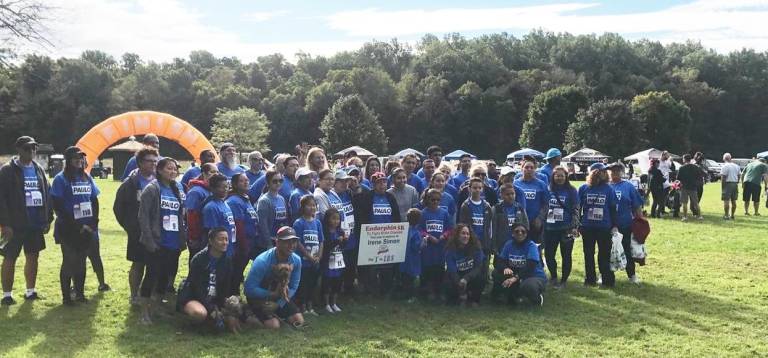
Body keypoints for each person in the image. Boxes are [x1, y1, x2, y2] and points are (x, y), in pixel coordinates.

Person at [0, 136, 53, 305]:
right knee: (10, 257)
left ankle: (30, 291)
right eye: (27, 148)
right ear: (19, 149)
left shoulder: (38, 169)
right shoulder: (7, 170)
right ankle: (7, 295)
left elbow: (47, 193)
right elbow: (1, 199)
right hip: (14, 225)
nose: (31, 151)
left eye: (34, 148)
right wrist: (5, 224)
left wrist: (47, 218)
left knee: (33, 257)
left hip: (35, 223)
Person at [50, 146, 103, 305]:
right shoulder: (61, 179)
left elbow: (94, 200)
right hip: (68, 227)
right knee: (69, 261)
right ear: (68, 160)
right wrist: (75, 226)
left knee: (81, 261)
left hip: (87, 226)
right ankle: (67, 297)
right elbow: (57, 205)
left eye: (81, 158)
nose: (79, 161)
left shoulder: (86, 177)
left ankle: (80, 294)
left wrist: (93, 222)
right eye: (76, 158)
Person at [138, 158, 187, 324]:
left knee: (165, 278)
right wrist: (149, 241)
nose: (173, 172)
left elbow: (180, 216)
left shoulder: (175, 189)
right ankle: (144, 312)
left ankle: (157, 307)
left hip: (172, 243)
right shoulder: (152, 189)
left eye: (175, 169)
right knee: (151, 276)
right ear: (159, 170)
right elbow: (143, 216)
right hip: (157, 242)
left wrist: (182, 239)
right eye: (169, 169)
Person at [114, 147, 158, 305]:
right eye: (149, 161)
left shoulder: (160, 180)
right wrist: (130, 227)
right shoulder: (131, 183)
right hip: (138, 233)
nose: (153, 164)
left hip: (157, 232)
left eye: (155, 161)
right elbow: (118, 208)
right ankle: (134, 295)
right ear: (140, 163)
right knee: (138, 264)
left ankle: (150, 295)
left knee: (154, 265)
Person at [177, 228, 239, 332]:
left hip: (214, 299)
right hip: (195, 297)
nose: (225, 243)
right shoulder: (198, 260)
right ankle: (188, 318)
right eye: (221, 239)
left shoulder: (227, 261)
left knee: (235, 307)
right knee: (200, 314)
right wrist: (211, 309)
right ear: (210, 241)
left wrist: (227, 303)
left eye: (226, 239)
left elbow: (226, 287)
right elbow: (197, 289)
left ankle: (213, 320)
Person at [244, 226, 304, 329]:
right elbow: (249, 289)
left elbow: (294, 286)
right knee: (274, 325)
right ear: (277, 242)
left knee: (299, 321)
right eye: (287, 242)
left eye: (294, 242)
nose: (291, 245)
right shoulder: (262, 261)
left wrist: (279, 304)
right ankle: (248, 315)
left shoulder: (296, 260)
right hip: (260, 297)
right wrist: (271, 295)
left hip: (280, 297)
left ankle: (277, 314)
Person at [352, 172, 401, 295]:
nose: (382, 185)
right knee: (371, 265)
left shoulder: (390, 197)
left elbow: (396, 216)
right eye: (379, 183)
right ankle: (370, 289)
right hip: (371, 237)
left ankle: (386, 289)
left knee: (387, 265)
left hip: (389, 236)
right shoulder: (368, 197)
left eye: (384, 182)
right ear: (373, 184)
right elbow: (362, 216)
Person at [578, 163, 619, 288]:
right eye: (600, 172)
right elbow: (577, 207)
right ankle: (590, 279)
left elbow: (613, 208)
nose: (602, 174)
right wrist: (578, 223)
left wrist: (614, 225)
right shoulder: (583, 188)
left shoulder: (609, 189)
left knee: (604, 254)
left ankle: (607, 279)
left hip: (604, 227)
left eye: (603, 172)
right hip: (587, 227)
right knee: (588, 254)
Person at [543, 166, 579, 288]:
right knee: (549, 254)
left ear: (566, 177)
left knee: (566, 255)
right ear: (553, 177)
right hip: (550, 228)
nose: (559, 178)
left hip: (566, 228)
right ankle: (553, 276)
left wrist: (575, 226)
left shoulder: (571, 190)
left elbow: (576, 209)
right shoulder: (548, 189)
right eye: (557, 175)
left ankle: (563, 280)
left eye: (562, 175)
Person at [493, 223, 546, 306]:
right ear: (512, 234)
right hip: (517, 275)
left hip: (533, 276)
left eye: (523, 231)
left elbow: (530, 266)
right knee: (496, 273)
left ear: (527, 234)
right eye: (517, 231)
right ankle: (509, 296)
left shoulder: (531, 245)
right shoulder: (508, 244)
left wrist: (515, 278)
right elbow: (500, 261)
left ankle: (537, 298)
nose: (520, 233)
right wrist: (505, 268)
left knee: (528, 286)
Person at [608, 163, 644, 285]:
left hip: (625, 224)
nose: (614, 173)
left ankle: (632, 275)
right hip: (608, 225)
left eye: (617, 171)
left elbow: (637, 205)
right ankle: (606, 274)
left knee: (627, 250)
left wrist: (640, 222)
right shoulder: (605, 186)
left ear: (622, 172)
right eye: (612, 171)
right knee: (606, 251)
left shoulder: (628, 186)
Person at [419, 189, 454, 301]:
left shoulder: (444, 213)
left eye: (438, 200)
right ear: (428, 200)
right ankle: (428, 290)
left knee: (439, 268)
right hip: (428, 248)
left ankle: (439, 290)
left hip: (440, 246)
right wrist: (428, 236)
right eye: (432, 200)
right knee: (428, 268)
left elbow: (449, 228)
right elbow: (419, 229)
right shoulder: (423, 213)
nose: (435, 202)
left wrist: (444, 235)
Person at [226, 173, 258, 294]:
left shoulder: (246, 199)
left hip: (250, 242)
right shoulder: (234, 201)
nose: (246, 183)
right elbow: (238, 225)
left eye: (247, 180)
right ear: (234, 184)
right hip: (240, 244)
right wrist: (243, 245)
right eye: (242, 181)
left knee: (239, 272)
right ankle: (231, 295)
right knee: (235, 272)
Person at [292, 195, 324, 315]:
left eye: (314, 205)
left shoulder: (317, 223)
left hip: (315, 261)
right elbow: (298, 242)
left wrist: (319, 256)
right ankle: (302, 306)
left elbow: (321, 241)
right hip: (304, 261)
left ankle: (310, 306)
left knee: (312, 283)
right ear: (303, 207)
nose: (312, 207)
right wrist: (308, 256)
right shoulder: (298, 223)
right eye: (309, 205)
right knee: (303, 284)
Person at [444, 224, 485, 307]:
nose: (466, 236)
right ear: (457, 235)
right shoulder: (450, 250)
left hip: (470, 277)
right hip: (457, 278)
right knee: (447, 279)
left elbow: (478, 267)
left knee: (481, 276)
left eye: (468, 234)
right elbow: (452, 271)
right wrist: (460, 284)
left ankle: (474, 299)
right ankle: (458, 297)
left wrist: (466, 278)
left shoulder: (476, 247)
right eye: (463, 233)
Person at [459, 178, 493, 276]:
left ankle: (484, 285)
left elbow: (489, 225)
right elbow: (463, 225)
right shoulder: (466, 205)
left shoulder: (487, 206)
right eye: (475, 188)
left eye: (479, 188)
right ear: (469, 189)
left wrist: (489, 241)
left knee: (484, 266)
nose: (477, 190)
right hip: (471, 241)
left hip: (484, 241)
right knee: (472, 266)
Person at [185, 163, 219, 260]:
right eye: (212, 172)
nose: (216, 174)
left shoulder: (210, 190)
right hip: (198, 235)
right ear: (204, 173)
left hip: (207, 234)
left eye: (217, 172)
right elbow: (191, 215)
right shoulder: (196, 191)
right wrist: (194, 237)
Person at [514, 159, 550, 247]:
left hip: (535, 223)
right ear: (522, 169)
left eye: (532, 168)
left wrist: (540, 218)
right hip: (520, 222)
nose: (529, 169)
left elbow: (546, 204)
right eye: (526, 167)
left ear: (535, 170)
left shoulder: (541, 184)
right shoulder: (516, 183)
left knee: (535, 249)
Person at [255, 169, 290, 257]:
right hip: (268, 242)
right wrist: (269, 244)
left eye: (280, 181)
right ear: (268, 183)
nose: (278, 183)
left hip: (280, 240)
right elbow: (263, 224)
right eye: (275, 181)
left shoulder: (281, 198)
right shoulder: (264, 201)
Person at [491, 183, 529, 260]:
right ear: (501, 195)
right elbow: (493, 229)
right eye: (507, 194)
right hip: (501, 244)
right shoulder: (496, 209)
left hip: (517, 243)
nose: (511, 196)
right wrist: (494, 245)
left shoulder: (519, 208)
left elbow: (526, 225)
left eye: (512, 194)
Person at [202, 174, 236, 259]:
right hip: (218, 251)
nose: (225, 189)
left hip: (229, 248)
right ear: (213, 188)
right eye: (222, 187)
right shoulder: (211, 207)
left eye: (226, 186)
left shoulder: (225, 203)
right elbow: (212, 232)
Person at [320, 208, 346, 313]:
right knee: (327, 283)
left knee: (337, 283)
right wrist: (336, 241)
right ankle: (326, 304)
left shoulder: (340, 231)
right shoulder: (325, 231)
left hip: (338, 261)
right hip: (328, 262)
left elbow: (344, 246)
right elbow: (326, 246)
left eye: (338, 219)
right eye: (333, 219)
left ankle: (334, 303)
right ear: (328, 219)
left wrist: (344, 241)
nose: (336, 221)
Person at [399, 208, 423, 302]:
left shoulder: (404, 230)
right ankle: (411, 296)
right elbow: (417, 247)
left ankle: (405, 294)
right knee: (412, 279)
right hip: (412, 259)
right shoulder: (416, 233)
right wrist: (423, 242)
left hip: (404, 258)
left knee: (405, 278)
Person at [677, 154, 703, 221]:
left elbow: (678, 178)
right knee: (696, 203)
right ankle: (699, 216)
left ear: (685, 159)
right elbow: (699, 177)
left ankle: (685, 217)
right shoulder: (696, 167)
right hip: (693, 187)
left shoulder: (682, 168)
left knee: (684, 203)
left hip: (684, 187)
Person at [720, 153, 741, 220]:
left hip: (727, 184)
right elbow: (739, 175)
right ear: (730, 158)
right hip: (735, 184)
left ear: (724, 158)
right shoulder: (736, 166)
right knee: (733, 200)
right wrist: (737, 182)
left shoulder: (725, 166)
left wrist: (723, 187)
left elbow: (723, 177)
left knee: (726, 200)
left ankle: (726, 215)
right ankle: (732, 215)